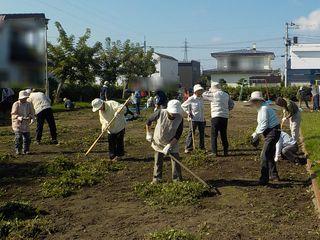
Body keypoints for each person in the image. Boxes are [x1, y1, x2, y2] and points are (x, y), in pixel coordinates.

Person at [145, 100, 183, 183]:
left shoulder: (180, 118)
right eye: (172, 112)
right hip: (159, 140)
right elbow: (148, 121)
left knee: (176, 160)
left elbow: (178, 134)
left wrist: (169, 145)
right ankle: (157, 179)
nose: (174, 114)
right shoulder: (160, 113)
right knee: (158, 160)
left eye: (175, 113)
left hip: (172, 142)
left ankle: (177, 180)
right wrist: (148, 133)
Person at [250, 91, 281, 185]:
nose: (254, 103)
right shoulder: (262, 108)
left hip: (273, 132)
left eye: (256, 101)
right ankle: (274, 175)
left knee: (264, 155)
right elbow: (260, 124)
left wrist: (256, 134)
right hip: (273, 131)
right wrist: (255, 133)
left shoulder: (263, 108)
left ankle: (264, 179)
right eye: (253, 101)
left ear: (260, 100)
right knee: (269, 154)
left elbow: (264, 124)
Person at [203, 82, 234, 156]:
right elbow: (232, 105)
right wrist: (226, 109)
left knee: (214, 135)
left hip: (215, 116)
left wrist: (210, 91)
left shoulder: (213, 95)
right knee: (223, 134)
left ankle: (214, 152)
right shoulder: (226, 95)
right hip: (225, 117)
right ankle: (225, 151)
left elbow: (203, 95)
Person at [182, 84, 205, 153]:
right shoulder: (191, 98)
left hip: (201, 119)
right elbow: (183, 105)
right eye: (199, 90)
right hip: (193, 119)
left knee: (202, 133)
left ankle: (202, 147)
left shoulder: (202, 98)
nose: (200, 91)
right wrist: (188, 112)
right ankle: (188, 147)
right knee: (191, 133)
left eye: (201, 90)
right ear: (195, 91)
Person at [11, 91, 35, 155]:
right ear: (20, 98)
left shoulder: (29, 104)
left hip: (26, 123)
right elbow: (13, 114)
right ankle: (18, 150)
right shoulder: (16, 104)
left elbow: (32, 113)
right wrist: (18, 117)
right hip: (17, 124)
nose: (24, 99)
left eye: (25, 98)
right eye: (23, 98)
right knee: (19, 137)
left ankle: (26, 150)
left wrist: (32, 118)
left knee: (27, 138)